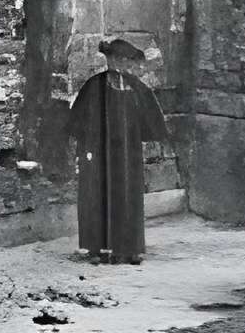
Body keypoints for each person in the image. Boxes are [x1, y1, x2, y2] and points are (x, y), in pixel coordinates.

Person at [68, 36, 170, 262]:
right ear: (109, 60)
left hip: (126, 153)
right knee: (97, 195)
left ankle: (129, 249)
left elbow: (151, 118)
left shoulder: (137, 88)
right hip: (99, 153)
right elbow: (78, 120)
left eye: (125, 60)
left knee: (127, 195)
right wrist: (85, 149)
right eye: (115, 59)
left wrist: (150, 136)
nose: (119, 64)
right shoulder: (94, 86)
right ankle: (96, 249)